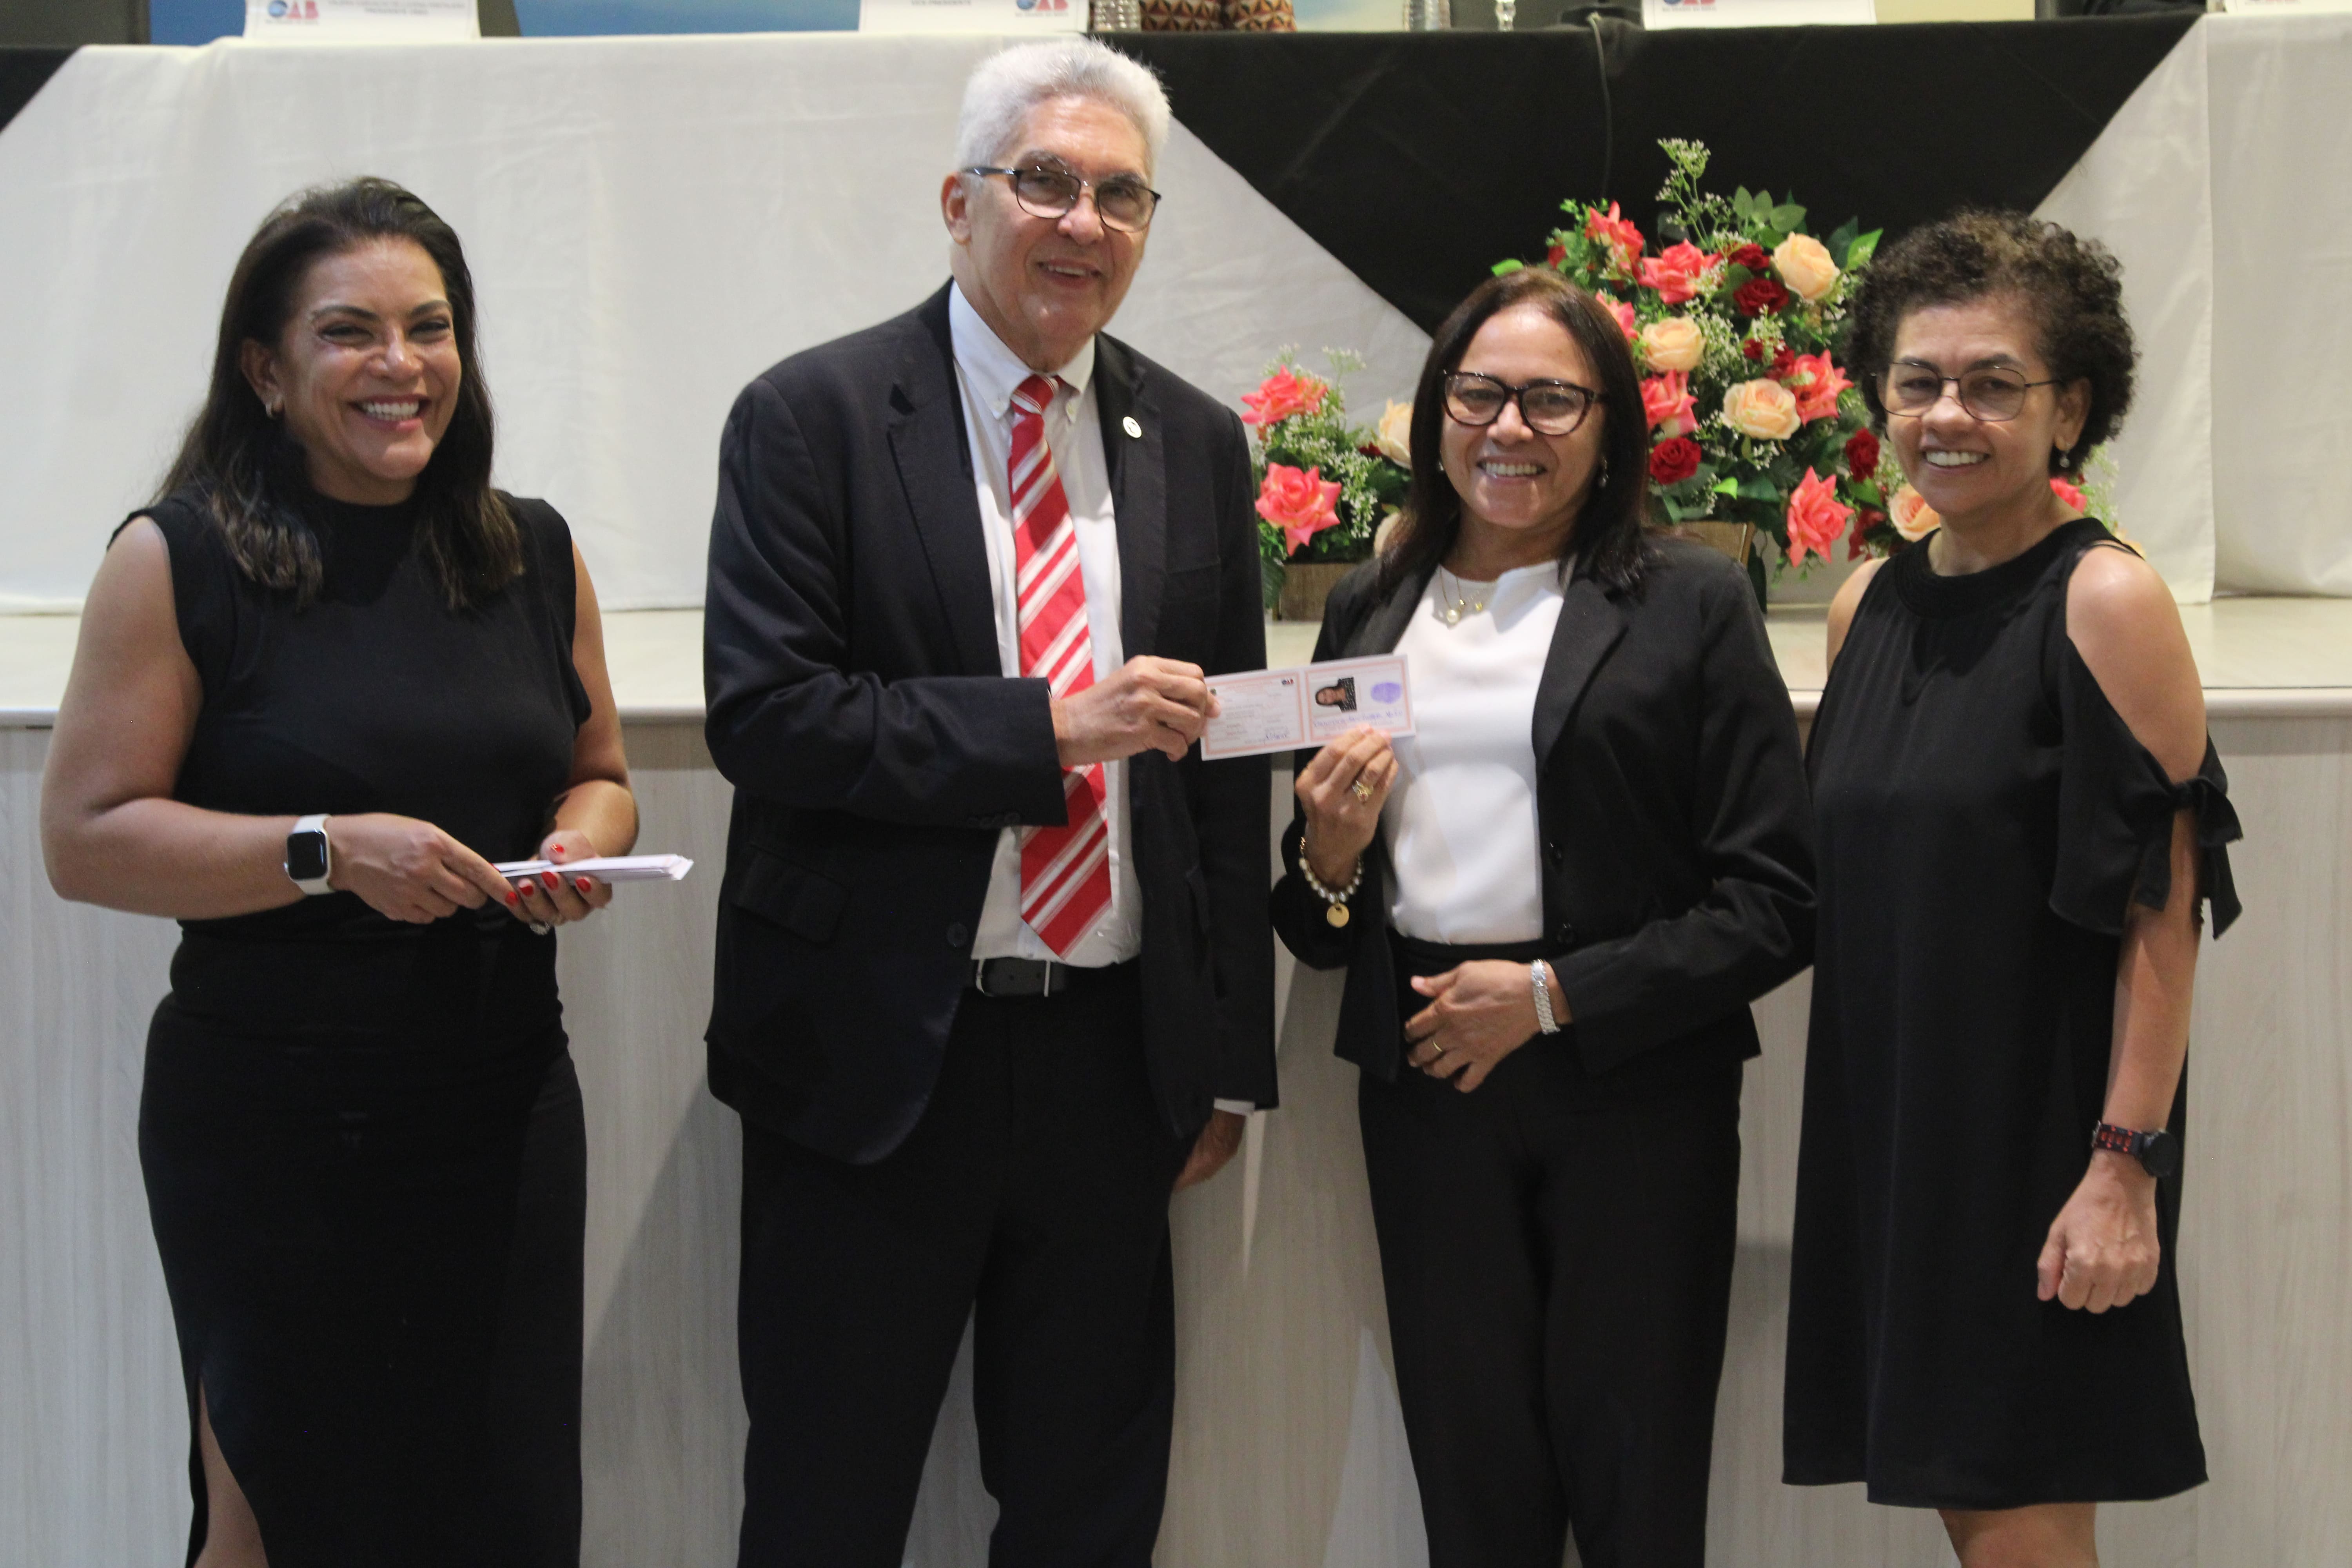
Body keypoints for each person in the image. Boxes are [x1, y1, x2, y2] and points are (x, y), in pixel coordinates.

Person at [701, 39, 1274, 1567]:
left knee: (1091, 1512)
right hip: (880, 1056)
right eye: (1047, 182)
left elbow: (1221, 773)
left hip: (1112, 1061)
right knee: (827, 1507)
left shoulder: (1197, 441)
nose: (1084, 222)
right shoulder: (810, 417)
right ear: (961, 204)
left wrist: (1224, 1065)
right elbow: (771, 718)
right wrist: (1049, 728)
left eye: (1121, 196)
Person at [38, 178, 635, 1567]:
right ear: (266, 369)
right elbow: (85, 837)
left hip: (503, 1104)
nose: (399, 364)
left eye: (429, 327)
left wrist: (581, 844)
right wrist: (325, 852)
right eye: (348, 331)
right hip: (277, 1122)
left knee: (500, 1515)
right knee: (281, 1522)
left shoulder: (531, 548)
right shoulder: (178, 558)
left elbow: (600, 771)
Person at [1270, 266, 1815, 1568]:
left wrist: (1551, 997)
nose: (1509, 428)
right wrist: (1330, 858)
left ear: (1611, 425)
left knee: (1637, 1475)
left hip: (1634, 1088)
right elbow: (1315, 921)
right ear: (1435, 414)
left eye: (1552, 400)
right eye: (1479, 394)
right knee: (1474, 1482)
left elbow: (1778, 900)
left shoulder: (1690, 600)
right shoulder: (1369, 603)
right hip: (1426, 1079)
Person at [1783, 212, 2240, 1568]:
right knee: (1969, 1507)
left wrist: (2123, 1169)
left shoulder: (2105, 599)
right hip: (1900, 1129)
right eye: (1918, 381)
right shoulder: (1866, 607)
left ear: (2071, 409)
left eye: (1993, 384)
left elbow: (2164, 910)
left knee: (2017, 1525)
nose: (1948, 415)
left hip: (2041, 1147)